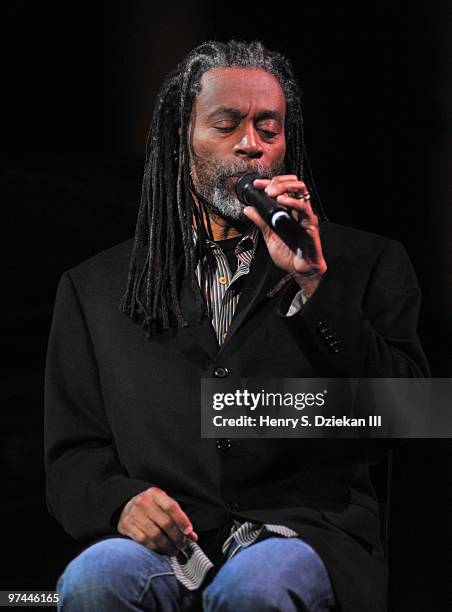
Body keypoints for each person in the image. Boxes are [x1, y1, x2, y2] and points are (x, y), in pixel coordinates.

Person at [44, 40, 429, 611]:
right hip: (172, 544)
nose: (251, 145)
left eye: (268, 129)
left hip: (302, 535)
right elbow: (73, 454)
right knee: (94, 580)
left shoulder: (361, 264)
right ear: (180, 143)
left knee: (257, 586)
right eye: (227, 125)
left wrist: (315, 288)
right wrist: (119, 502)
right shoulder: (96, 288)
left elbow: (410, 417)